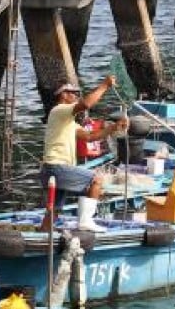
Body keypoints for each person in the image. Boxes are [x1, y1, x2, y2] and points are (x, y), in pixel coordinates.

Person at [40, 77, 127, 213]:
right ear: (63, 94)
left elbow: (90, 136)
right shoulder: (59, 110)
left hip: (54, 170)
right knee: (96, 180)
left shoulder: (68, 122)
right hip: (56, 168)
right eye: (73, 92)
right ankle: (86, 221)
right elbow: (86, 105)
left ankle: (46, 229)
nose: (76, 96)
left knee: (54, 212)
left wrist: (114, 127)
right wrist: (104, 85)